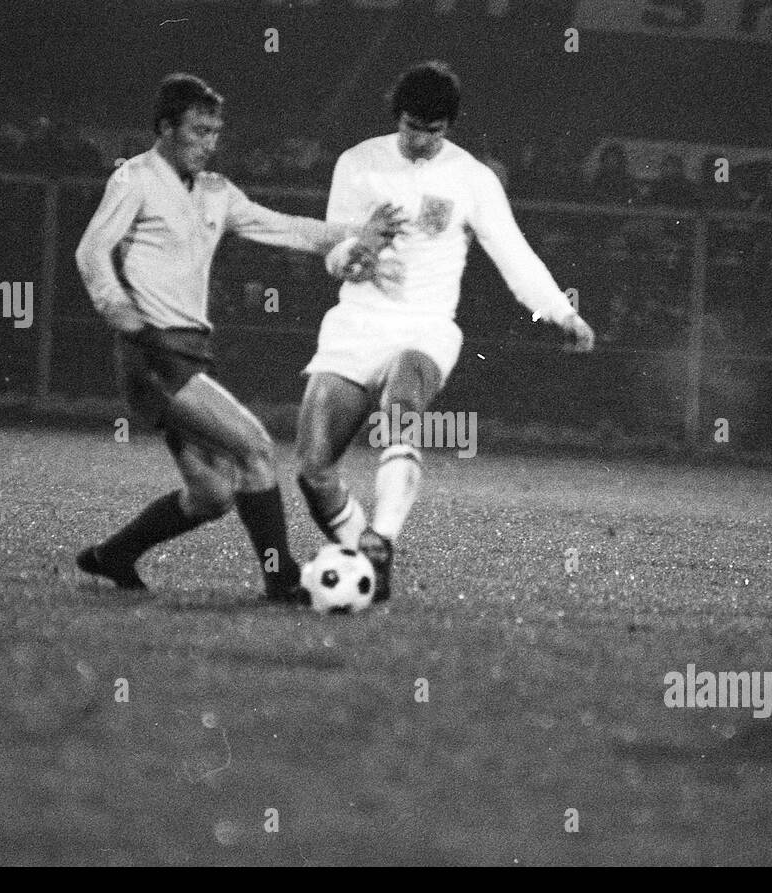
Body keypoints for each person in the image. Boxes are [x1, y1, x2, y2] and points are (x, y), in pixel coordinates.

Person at [73, 73, 404, 599]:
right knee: (255, 446)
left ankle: (111, 557)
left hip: (187, 352)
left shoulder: (216, 192)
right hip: (152, 356)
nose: (208, 142)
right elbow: (91, 254)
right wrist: (127, 322)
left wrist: (356, 234)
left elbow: (289, 228)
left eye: (214, 132)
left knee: (212, 494)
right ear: (164, 128)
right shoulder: (134, 179)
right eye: (198, 131)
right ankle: (281, 579)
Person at [294, 60, 595, 601]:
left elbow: (512, 251)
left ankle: (382, 539)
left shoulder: (471, 178)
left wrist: (560, 311)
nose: (421, 141)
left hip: (425, 326)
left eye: (434, 131)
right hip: (357, 323)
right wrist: (359, 250)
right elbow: (333, 252)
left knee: (402, 406)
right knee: (313, 469)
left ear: (449, 127)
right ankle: (362, 552)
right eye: (412, 127)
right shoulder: (358, 163)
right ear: (397, 117)